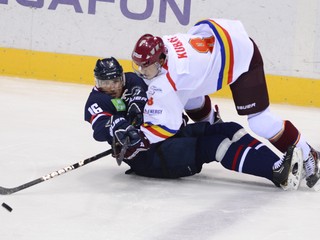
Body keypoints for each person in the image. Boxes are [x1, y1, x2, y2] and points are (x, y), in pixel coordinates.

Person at [131, 18, 320, 190]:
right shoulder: (164, 46)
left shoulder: (176, 75)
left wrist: (140, 139)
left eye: (146, 66)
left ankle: (308, 153)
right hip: (220, 38)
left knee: (260, 121)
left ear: (161, 59)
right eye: (138, 65)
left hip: (244, 58)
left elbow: (168, 127)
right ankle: (215, 125)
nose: (141, 70)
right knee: (190, 97)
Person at [84, 57, 303, 190]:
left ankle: (282, 165)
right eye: (105, 82)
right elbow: (100, 127)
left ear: (121, 77)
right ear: (97, 82)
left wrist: (140, 107)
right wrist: (119, 128)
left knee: (228, 129)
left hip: (164, 136)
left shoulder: (131, 79)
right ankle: (274, 172)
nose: (111, 86)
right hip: (149, 157)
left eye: (114, 80)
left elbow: (142, 92)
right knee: (216, 146)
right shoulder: (97, 101)